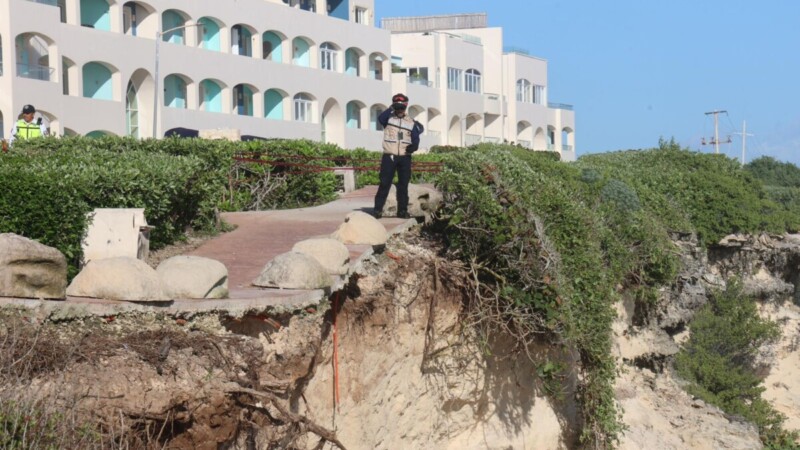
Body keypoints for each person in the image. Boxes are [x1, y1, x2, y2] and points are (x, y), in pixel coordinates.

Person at [373, 93, 424, 219]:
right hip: (389, 156)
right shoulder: (388, 119)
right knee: (384, 183)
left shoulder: (411, 122)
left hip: (404, 157)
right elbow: (380, 119)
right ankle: (377, 210)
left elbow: (416, 138)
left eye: (402, 108)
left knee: (403, 185)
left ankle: (402, 211)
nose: (399, 110)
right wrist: (391, 107)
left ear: (406, 107)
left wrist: (414, 147)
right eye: (397, 108)